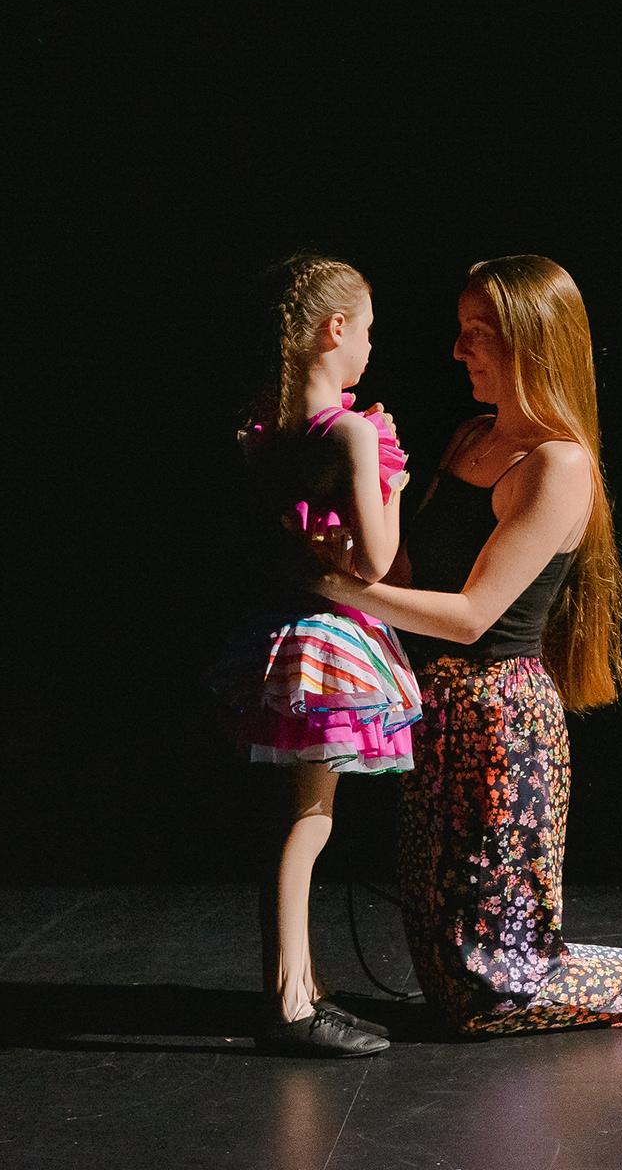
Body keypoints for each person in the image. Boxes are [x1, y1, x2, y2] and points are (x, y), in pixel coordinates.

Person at [309, 254, 622, 1037]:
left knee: (493, 993)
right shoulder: (469, 437)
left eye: (478, 332)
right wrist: (372, 490)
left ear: (529, 340)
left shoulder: (558, 464)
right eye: (462, 329)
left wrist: (337, 589)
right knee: (455, 988)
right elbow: (405, 574)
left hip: (500, 728)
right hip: (432, 716)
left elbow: (472, 616)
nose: (458, 349)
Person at [209, 253, 418, 1058]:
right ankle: (291, 1000)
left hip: (276, 633)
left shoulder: (265, 435)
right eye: (366, 330)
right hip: (329, 639)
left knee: (298, 815)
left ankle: (300, 984)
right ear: (335, 330)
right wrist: (391, 479)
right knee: (308, 820)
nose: (369, 347)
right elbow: (377, 564)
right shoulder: (353, 432)